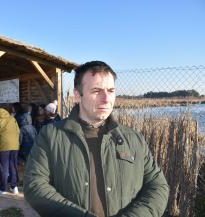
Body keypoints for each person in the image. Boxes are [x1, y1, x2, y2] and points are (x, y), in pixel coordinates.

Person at [24, 61, 169, 217]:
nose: (106, 99)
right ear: (78, 95)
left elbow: (157, 185)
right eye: (96, 91)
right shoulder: (51, 136)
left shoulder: (134, 139)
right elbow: (35, 185)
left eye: (111, 90)